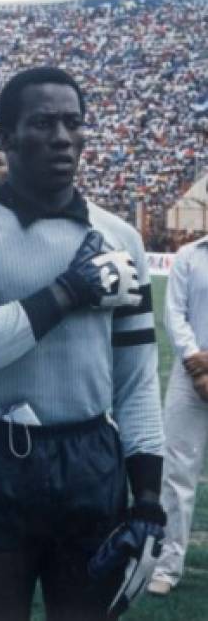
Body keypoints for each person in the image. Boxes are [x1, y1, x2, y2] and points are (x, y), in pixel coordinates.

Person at [0, 66, 164, 620]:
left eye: (73, 123)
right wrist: (66, 291)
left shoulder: (119, 238)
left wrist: (148, 497)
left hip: (89, 460)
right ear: (8, 137)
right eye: (42, 123)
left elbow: (136, 382)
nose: (62, 136)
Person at [149, 234, 208, 595]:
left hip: (199, 369)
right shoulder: (189, 255)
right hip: (190, 378)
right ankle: (167, 567)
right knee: (177, 472)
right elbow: (174, 313)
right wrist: (197, 367)